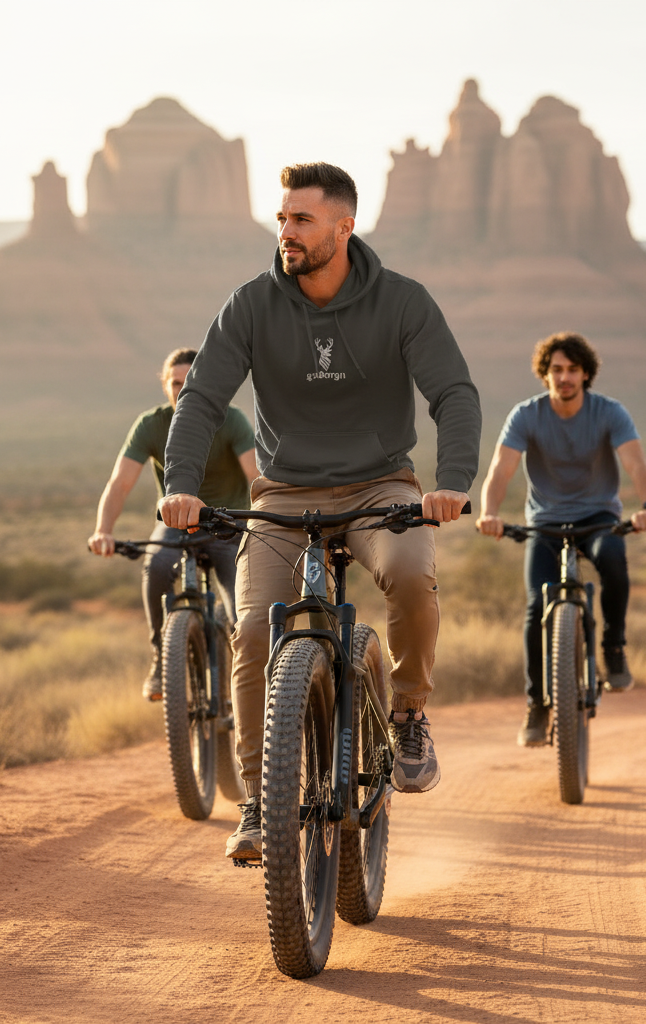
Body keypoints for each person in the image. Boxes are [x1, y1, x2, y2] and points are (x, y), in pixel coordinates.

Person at [159, 162, 481, 862]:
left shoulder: (402, 302)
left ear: (344, 225)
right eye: (281, 218)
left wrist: (452, 481)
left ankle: (408, 712)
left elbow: (453, 393)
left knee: (409, 572)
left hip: (381, 488)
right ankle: (257, 806)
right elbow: (203, 400)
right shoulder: (251, 304)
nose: (286, 231)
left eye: (301, 219)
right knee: (250, 632)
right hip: (283, 496)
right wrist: (181, 483)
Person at [475, 332, 646, 747]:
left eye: (572, 369)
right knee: (537, 603)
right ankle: (537, 706)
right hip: (546, 521)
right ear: (545, 374)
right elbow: (500, 472)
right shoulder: (527, 415)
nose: (564, 377)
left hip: (597, 516)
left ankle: (613, 647)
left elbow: (636, 463)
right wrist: (489, 513)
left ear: (586, 373)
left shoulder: (609, 412)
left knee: (613, 557)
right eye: (556, 370)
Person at [89, 347, 257, 700]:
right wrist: (103, 530)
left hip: (228, 525)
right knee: (156, 566)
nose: (183, 390)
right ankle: (161, 657)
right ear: (164, 385)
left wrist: (266, 521)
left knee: (239, 618)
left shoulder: (232, 421)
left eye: (190, 381)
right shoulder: (152, 425)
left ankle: (248, 690)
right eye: (175, 383)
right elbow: (119, 483)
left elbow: (256, 475)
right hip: (176, 523)